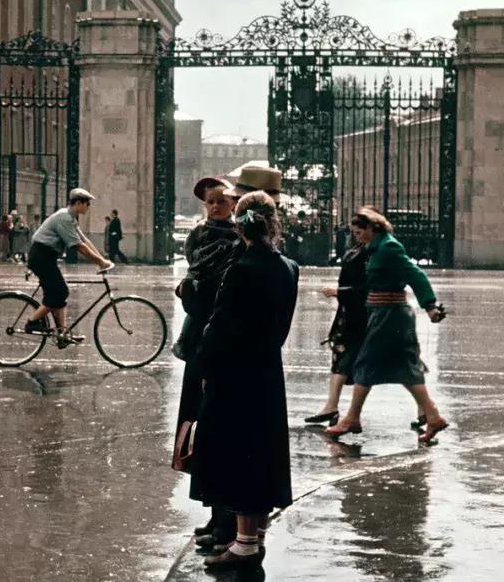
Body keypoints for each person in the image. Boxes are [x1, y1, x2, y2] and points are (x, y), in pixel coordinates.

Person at [189, 191, 299, 570]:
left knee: (236, 457)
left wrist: (205, 367)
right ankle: (254, 538)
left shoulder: (240, 270)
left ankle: (244, 547)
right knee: (262, 455)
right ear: (273, 222)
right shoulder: (289, 267)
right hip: (268, 371)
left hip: (235, 375)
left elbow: (218, 329)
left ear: (239, 225)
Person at [325, 206, 449, 444]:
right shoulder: (377, 248)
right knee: (406, 368)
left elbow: (416, 275)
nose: (357, 236)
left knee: (365, 363)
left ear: (372, 227)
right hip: (386, 313)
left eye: (359, 231)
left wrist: (430, 305)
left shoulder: (389, 248)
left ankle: (351, 418)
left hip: (390, 315)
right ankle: (433, 416)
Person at [172, 177, 240, 549]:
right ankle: (215, 515)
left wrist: (189, 290)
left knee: (210, 427)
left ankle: (224, 520)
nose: (215, 207)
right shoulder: (197, 235)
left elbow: (202, 288)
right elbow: (193, 271)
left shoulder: (235, 241)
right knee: (199, 427)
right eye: (210, 202)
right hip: (197, 339)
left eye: (221, 201)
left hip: (208, 339)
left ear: (232, 203)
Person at [22, 188, 113, 346]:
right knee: (60, 292)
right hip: (41, 257)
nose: (88, 207)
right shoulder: (64, 218)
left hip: (46, 257)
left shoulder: (70, 218)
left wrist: (102, 259)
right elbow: (79, 247)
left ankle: (62, 334)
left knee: (58, 293)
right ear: (78, 203)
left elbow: (84, 241)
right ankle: (32, 321)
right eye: (87, 203)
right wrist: (100, 262)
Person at [306, 230, 370, 426]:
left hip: (363, 315)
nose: (355, 232)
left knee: (395, 364)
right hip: (349, 314)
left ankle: (426, 409)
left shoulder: (375, 253)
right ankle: (333, 407)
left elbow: (366, 288)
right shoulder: (359, 250)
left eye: (360, 228)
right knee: (342, 357)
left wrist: (338, 292)